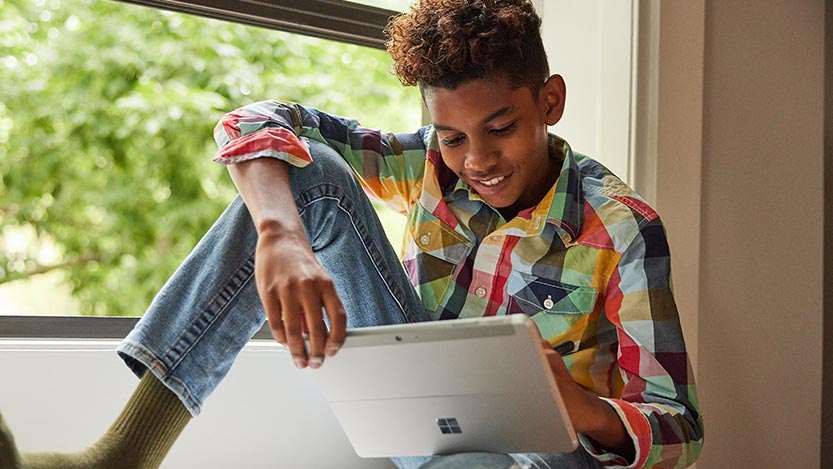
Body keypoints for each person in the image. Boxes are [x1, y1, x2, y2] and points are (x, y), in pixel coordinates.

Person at [0, 0, 703, 467]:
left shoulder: (621, 229)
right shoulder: (425, 165)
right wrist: (281, 234)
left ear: (547, 101)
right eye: (452, 137)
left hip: (538, 459)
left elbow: (679, 427)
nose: (477, 161)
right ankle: (125, 452)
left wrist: (574, 403)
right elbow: (252, 122)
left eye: (501, 128)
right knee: (311, 175)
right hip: (418, 425)